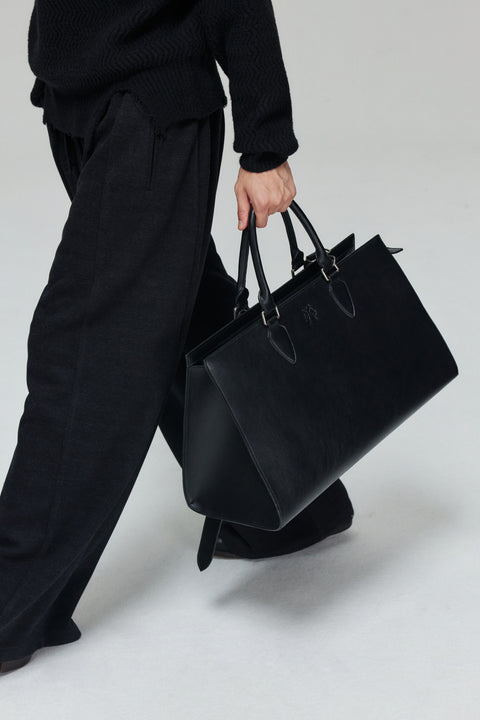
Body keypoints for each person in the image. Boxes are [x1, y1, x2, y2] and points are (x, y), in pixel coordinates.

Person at [0, 0, 354, 674]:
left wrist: (265, 140)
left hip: (150, 109)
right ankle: (287, 509)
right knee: (173, 314)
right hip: (79, 102)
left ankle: (9, 598)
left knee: (88, 353)